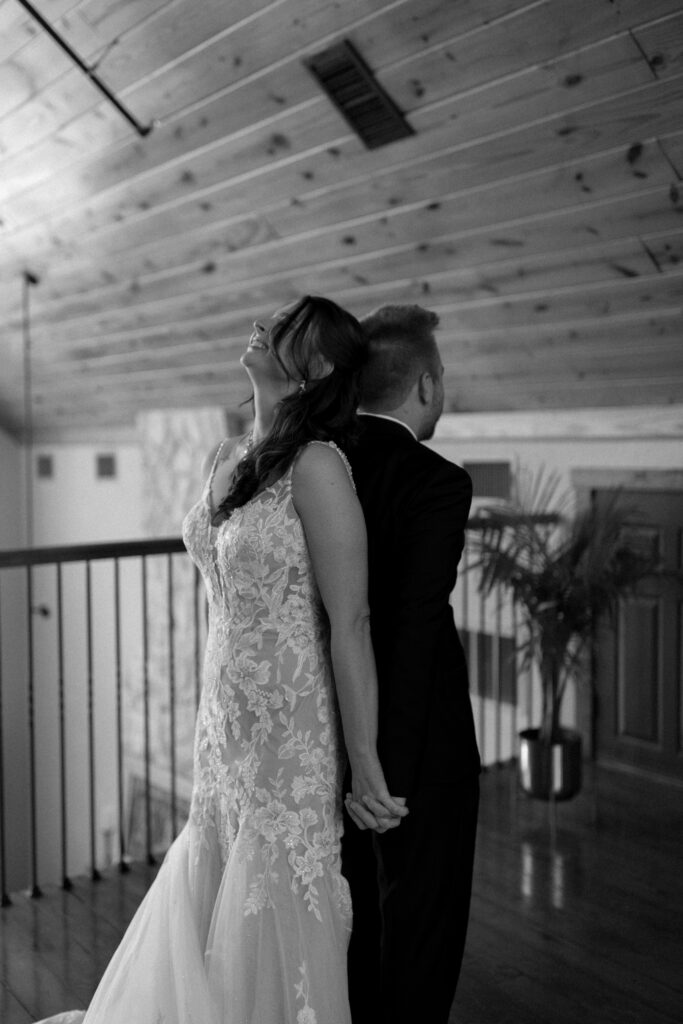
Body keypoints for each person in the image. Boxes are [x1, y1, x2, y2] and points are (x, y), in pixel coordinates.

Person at [36, 295, 407, 1024]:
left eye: (283, 328)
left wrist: (363, 760)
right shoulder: (228, 453)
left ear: (317, 367)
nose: (261, 327)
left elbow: (351, 619)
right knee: (214, 862)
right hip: (223, 721)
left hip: (289, 728)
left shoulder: (319, 468)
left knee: (272, 889)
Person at [342, 304, 481, 1024]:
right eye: (444, 378)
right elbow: (414, 626)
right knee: (422, 932)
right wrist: (385, 774)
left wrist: (354, 765)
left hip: (330, 735)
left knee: (354, 927)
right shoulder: (435, 480)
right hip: (418, 752)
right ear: (424, 384)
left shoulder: (319, 462)